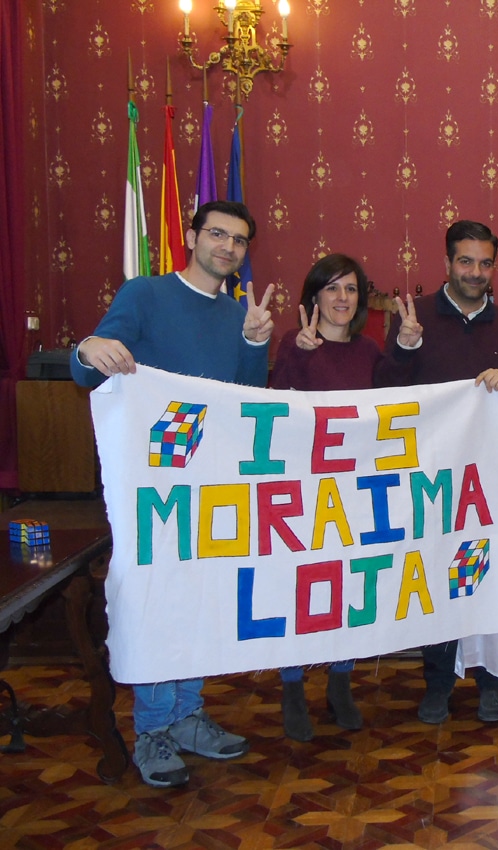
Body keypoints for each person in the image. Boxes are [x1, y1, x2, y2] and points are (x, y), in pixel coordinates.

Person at [70, 200, 274, 787]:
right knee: (159, 602)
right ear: (191, 235)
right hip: (153, 484)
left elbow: (247, 399)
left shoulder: (237, 313)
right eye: (217, 234)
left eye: (239, 240)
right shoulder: (145, 294)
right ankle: (153, 729)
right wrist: (87, 348)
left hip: (213, 482)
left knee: (200, 601)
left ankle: (187, 715)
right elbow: (89, 370)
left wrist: (254, 343)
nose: (227, 247)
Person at [379, 219, 498, 725]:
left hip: (490, 479)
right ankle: (438, 682)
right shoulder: (415, 317)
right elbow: (383, 391)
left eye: (485, 263)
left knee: (487, 573)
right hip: (432, 477)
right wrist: (405, 348)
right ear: (447, 262)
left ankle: (491, 677)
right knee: (435, 577)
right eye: (465, 261)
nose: (475, 272)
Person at [270, 253, 383, 740]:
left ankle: (340, 683)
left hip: (355, 490)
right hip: (302, 489)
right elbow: (271, 406)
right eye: (332, 288)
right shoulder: (292, 345)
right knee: (299, 588)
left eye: (351, 289)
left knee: (348, 587)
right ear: (314, 296)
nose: (342, 298)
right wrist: (298, 354)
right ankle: (292, 688)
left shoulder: (370, 352)